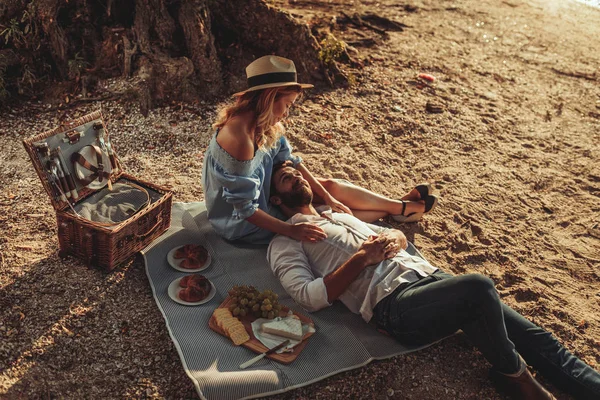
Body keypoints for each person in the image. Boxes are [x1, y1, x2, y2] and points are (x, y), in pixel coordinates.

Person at [266, 162, 600, 400]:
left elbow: (389, 231)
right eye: (284, 178)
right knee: (479, 288)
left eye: (295, 171)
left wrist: (396, 236)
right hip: (393, 306)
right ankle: (514, 376)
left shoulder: (336, 214)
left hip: (430, 279)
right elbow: (308, 296)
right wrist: (361, 259)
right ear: (276, 201)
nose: (295, 176)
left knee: (537, 337)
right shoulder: (285, 243)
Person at [201, 55, 437, 244]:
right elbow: (244, 210)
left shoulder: (262, 122)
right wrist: (292, 230)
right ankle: (398, 209)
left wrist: (328, 195)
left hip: (261, 191)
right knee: (320, 213)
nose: (286, 113)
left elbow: (290, 161)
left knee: (328, 190)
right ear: (269, 97)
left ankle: (397, 207)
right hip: (241, 222)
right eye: (287, 105)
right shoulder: (240, 136)